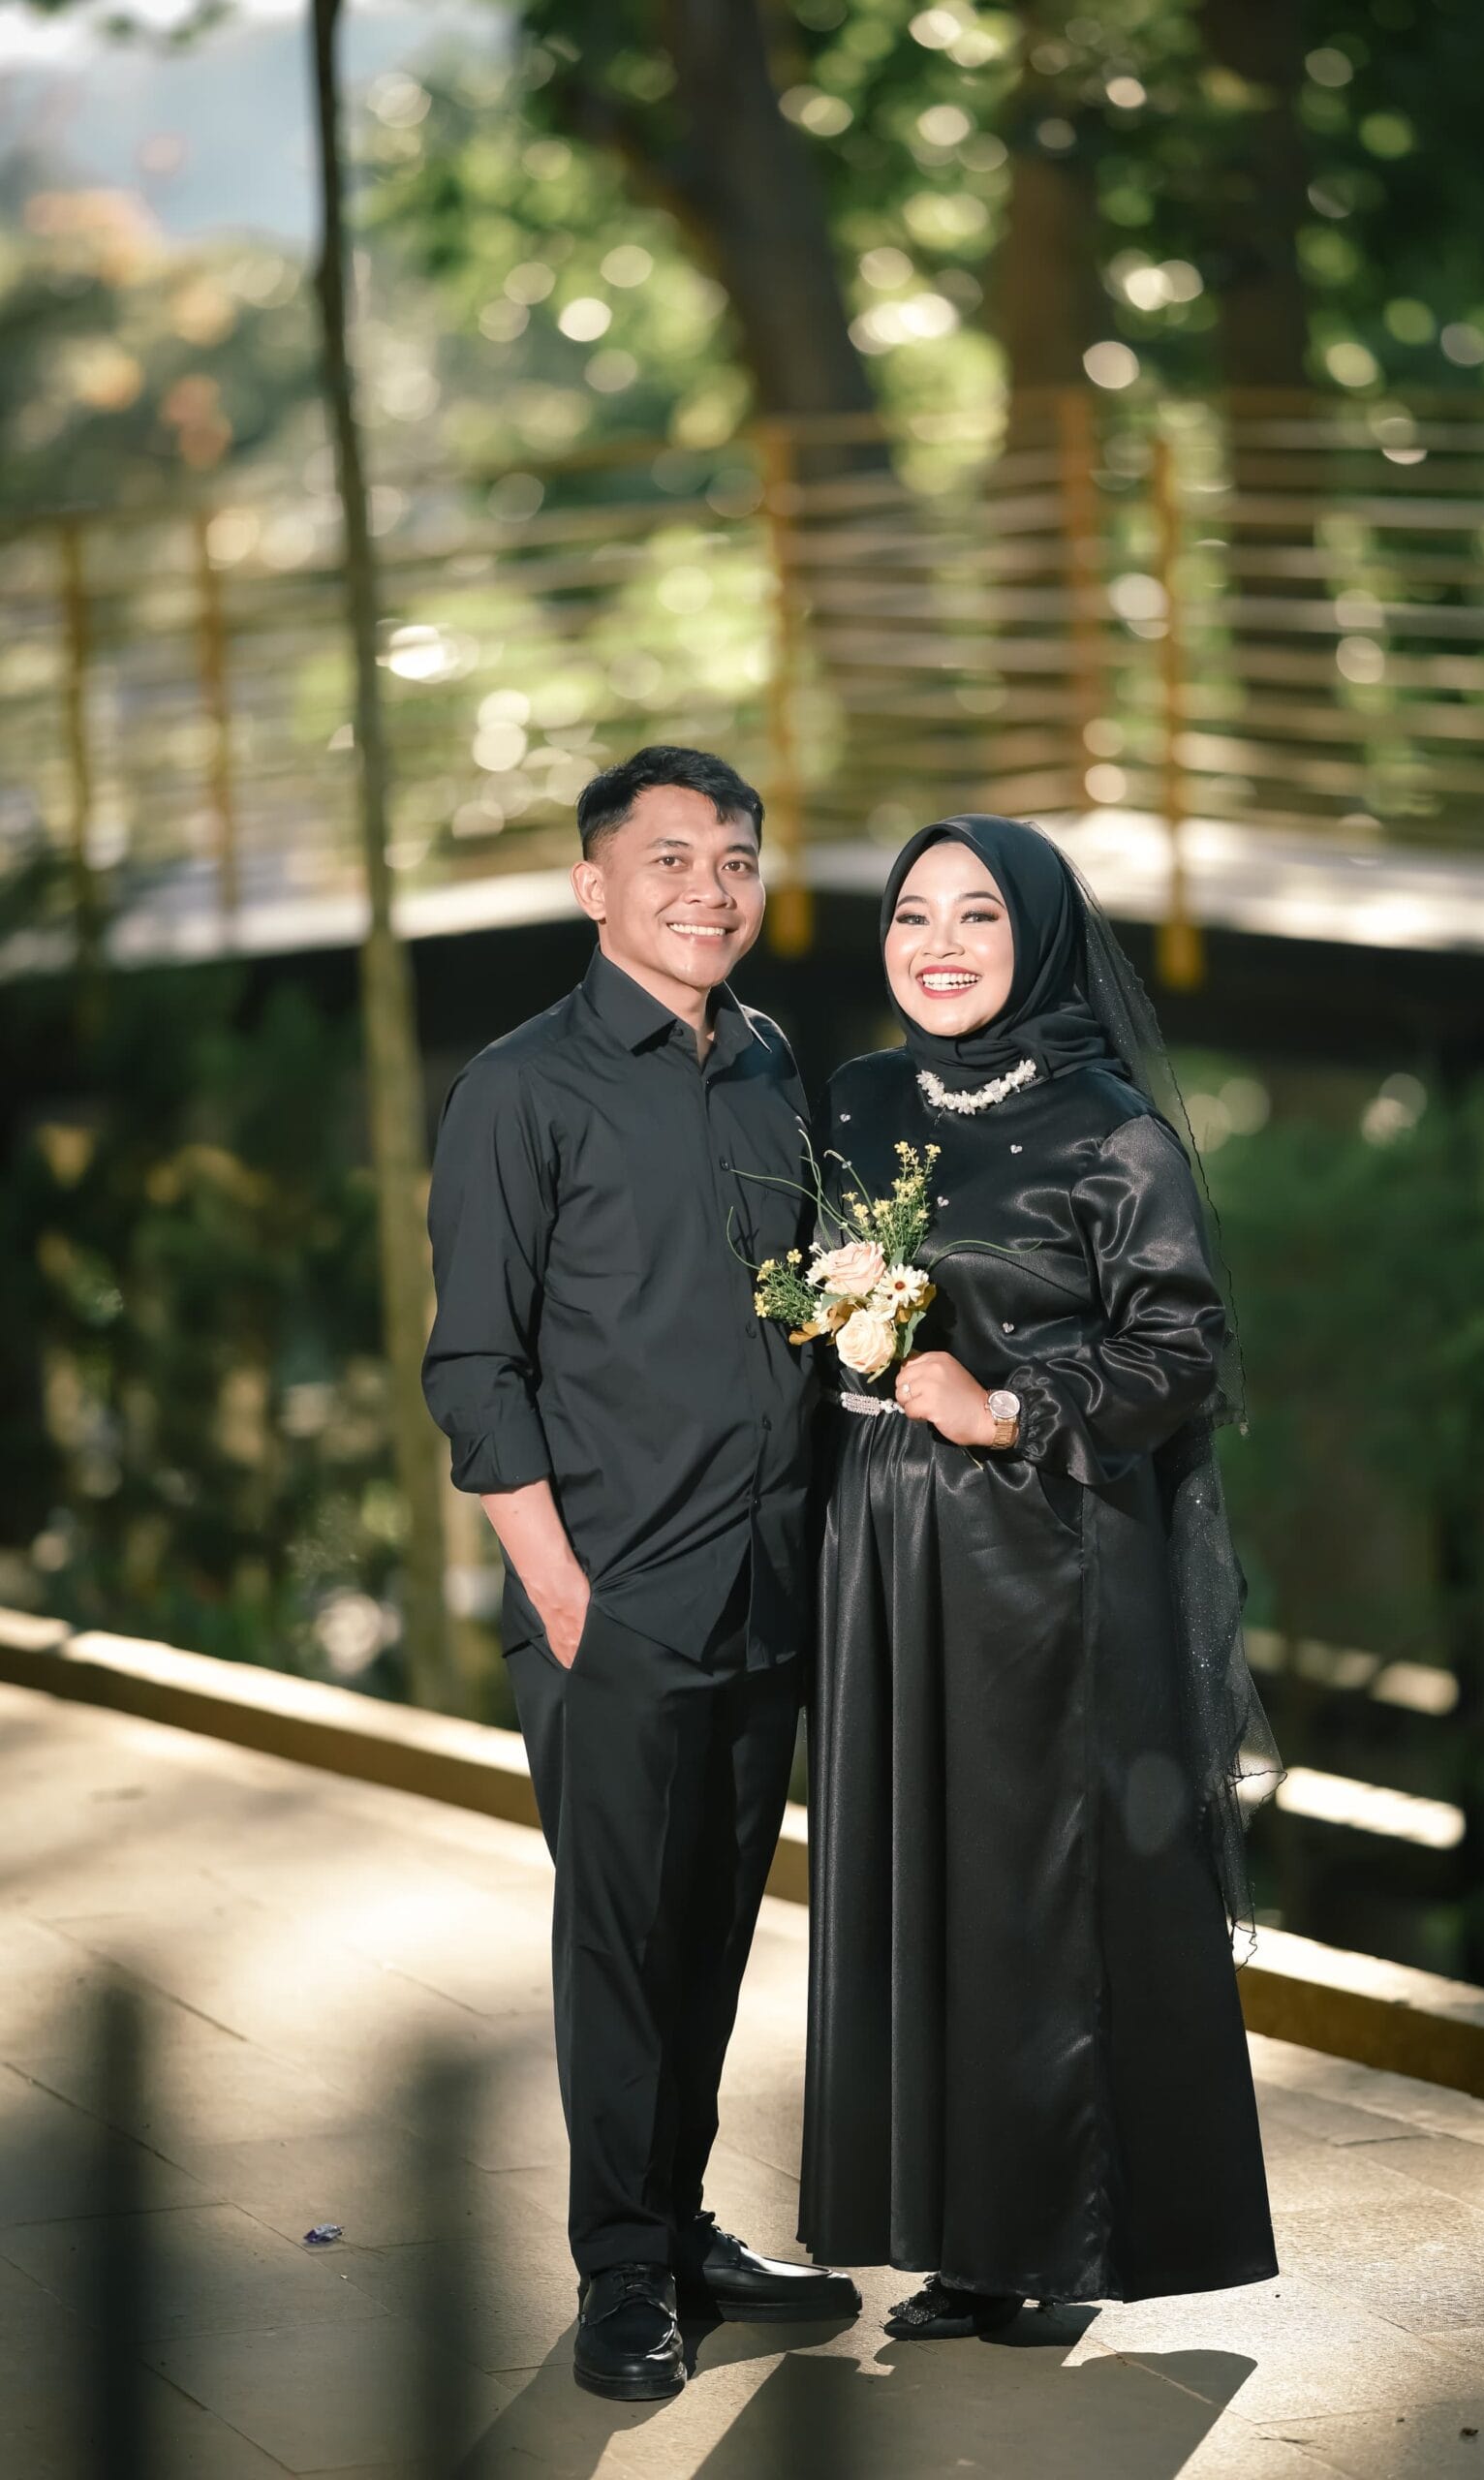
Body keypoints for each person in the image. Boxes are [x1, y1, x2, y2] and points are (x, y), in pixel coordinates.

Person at [798, 814, 1279, 2334]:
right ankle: (952, 2231)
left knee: (1033, 1888)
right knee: (913, 1876)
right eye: (912, 914)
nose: (937, 946)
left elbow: (1182, 1350)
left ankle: (1047, 2249)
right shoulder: (860, 1098)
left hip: (1043, 1554)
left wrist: (1002, 1407)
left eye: (978, 916)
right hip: (883, 1549)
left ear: (1043, 938)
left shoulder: (1110, 1132)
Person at [422, 744, 858, 2402]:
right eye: (670, 858)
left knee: (713, 1930)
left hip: (766, 1585)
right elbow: (476, 1369)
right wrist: (561, 1596)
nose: (709, 889)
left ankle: (679, 2227)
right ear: (593, 884)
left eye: (736, 859)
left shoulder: (770, 1062)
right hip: (609, 1599)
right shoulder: (518, 1089)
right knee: (619, 1942)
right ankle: (621, 2272)